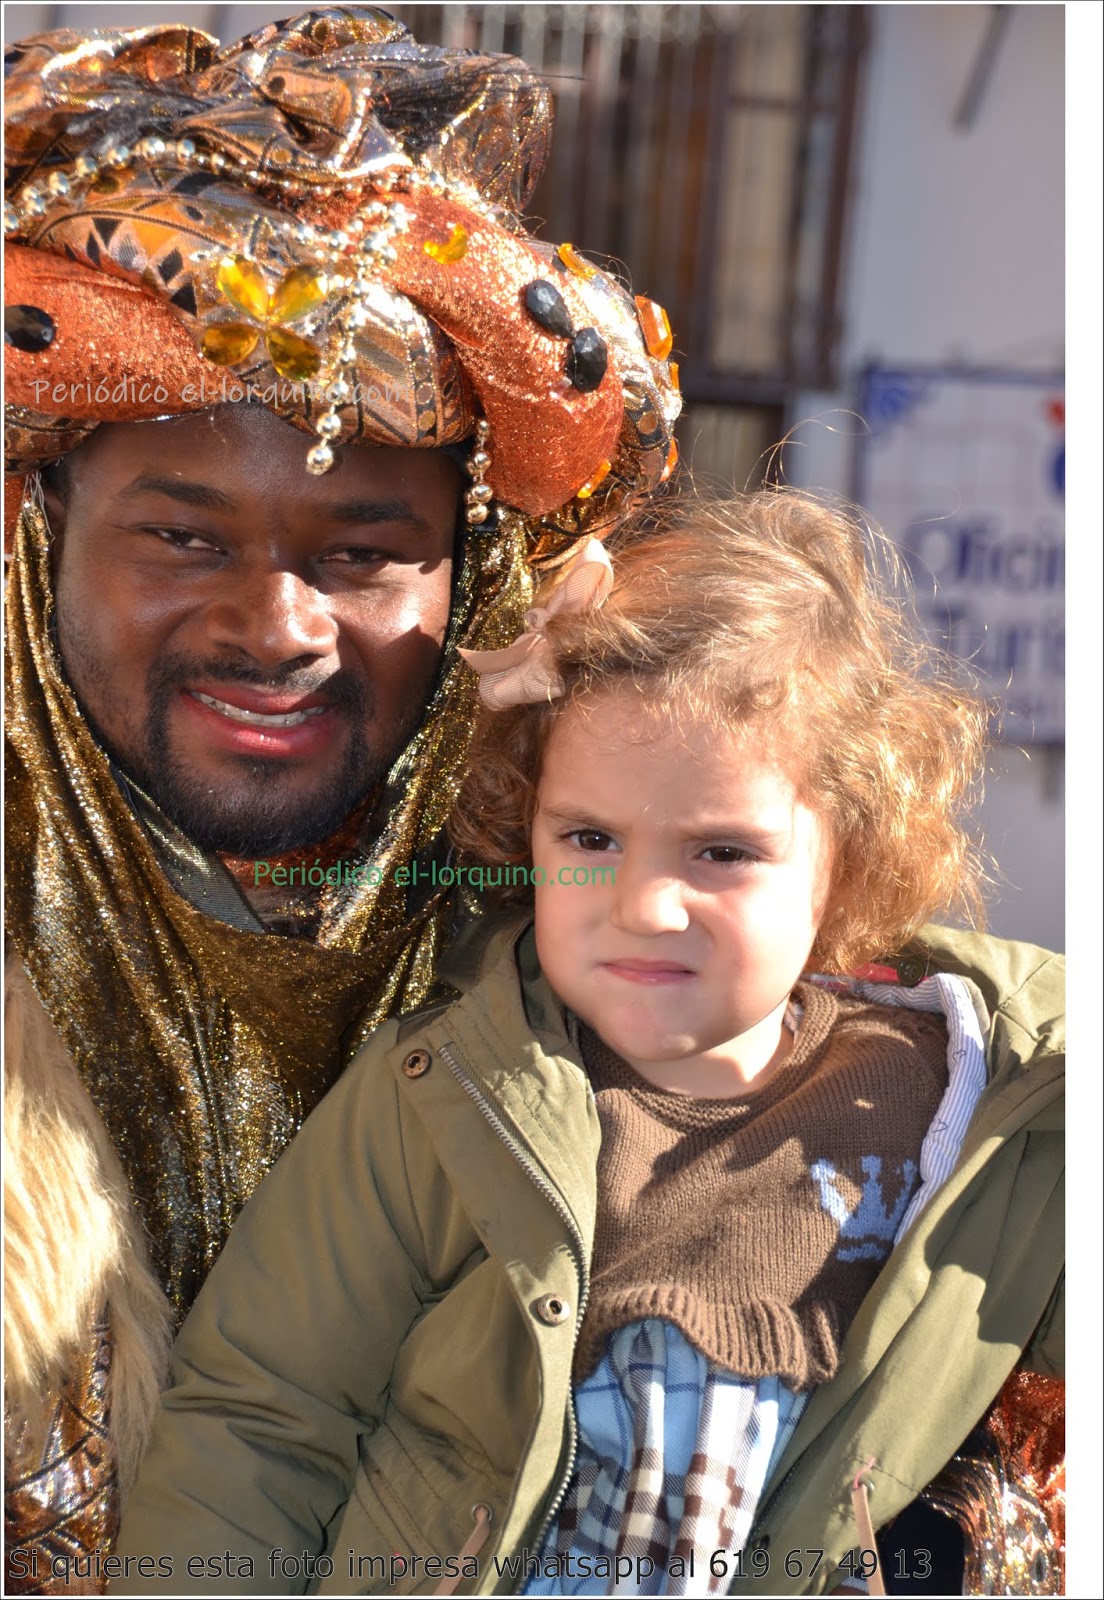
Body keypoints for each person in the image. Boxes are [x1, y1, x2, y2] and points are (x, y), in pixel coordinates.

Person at [2, 9, 680, 1588]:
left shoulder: (634, 940)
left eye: (363, 554)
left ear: (471, 578)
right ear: (42, 530)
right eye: (183, 536)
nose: (278, 626)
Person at [111, 491, 1064, 1597]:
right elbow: (262, 1417)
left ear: (846, 861)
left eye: (720, 851)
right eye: (592, 836)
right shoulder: (443, 1094)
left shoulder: (980, 1120)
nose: (644, 905)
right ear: (530, 826)